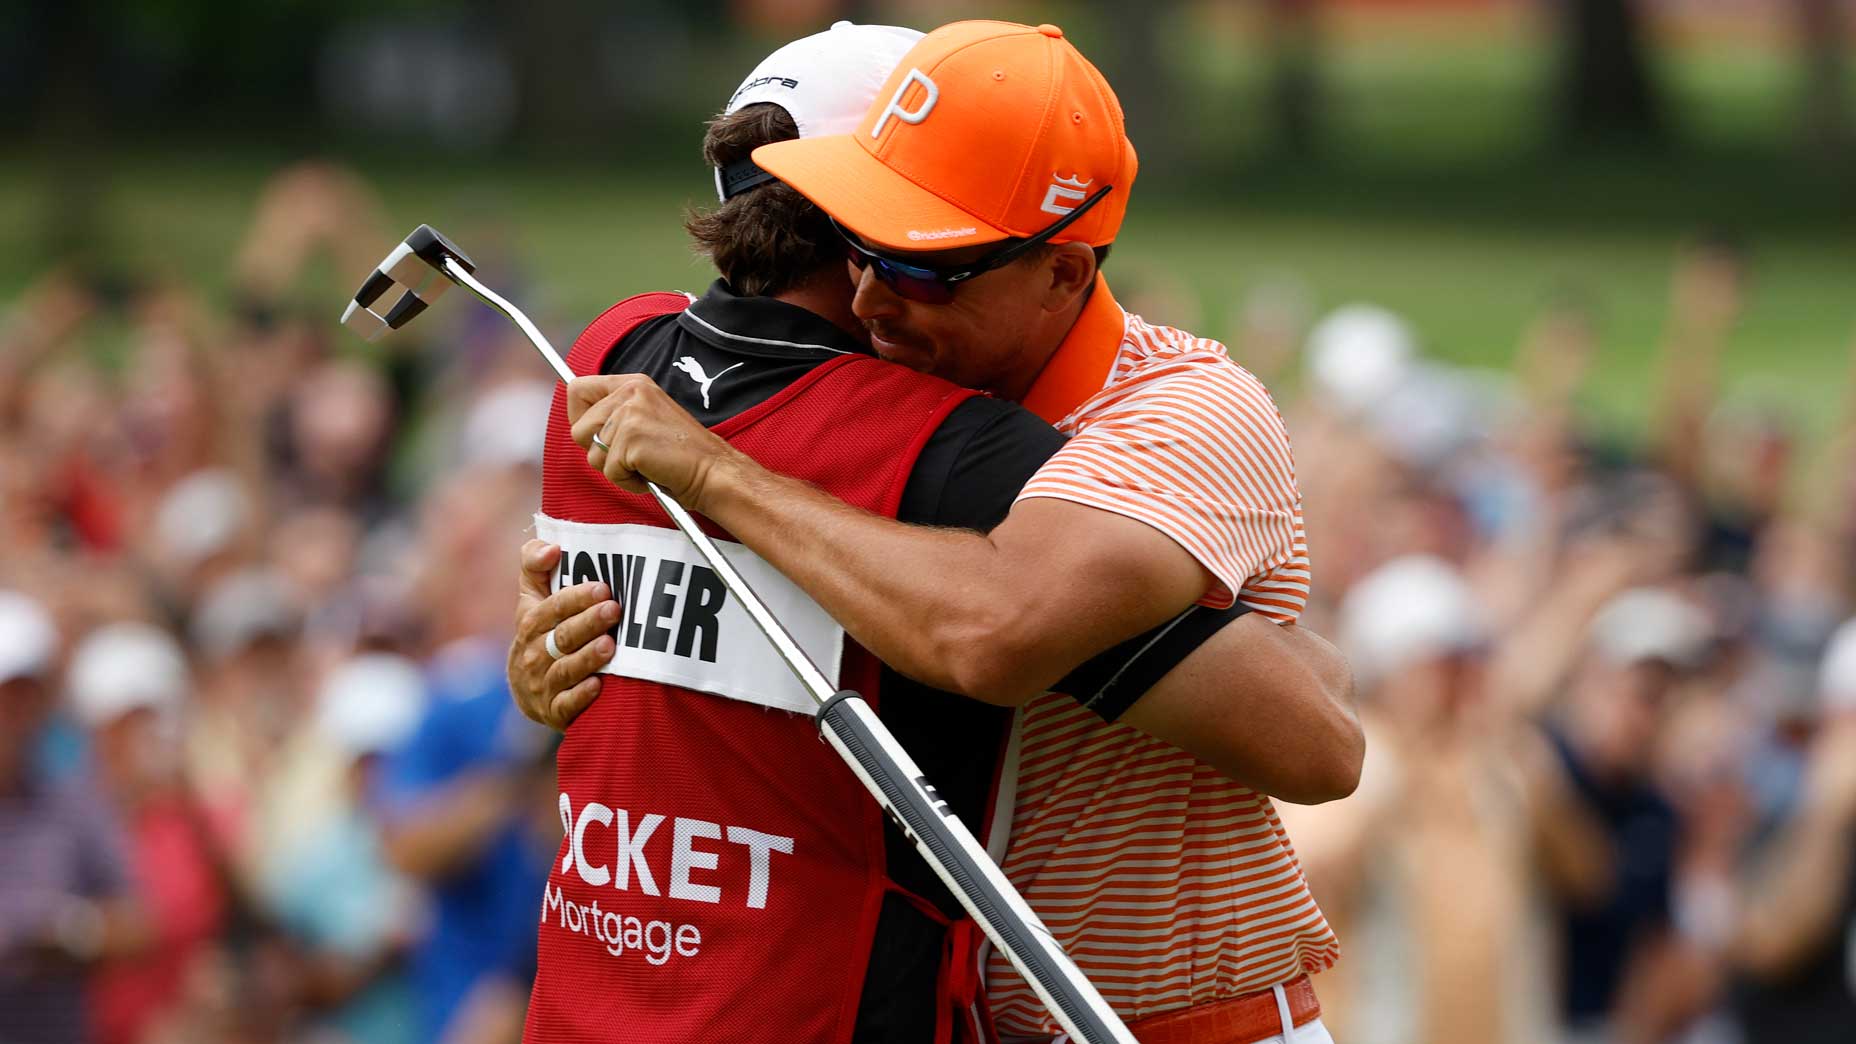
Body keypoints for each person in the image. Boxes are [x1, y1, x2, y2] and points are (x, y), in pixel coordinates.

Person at [513, 21, 1355, 1044]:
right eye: (862, 245)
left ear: (1062, 270)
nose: (869, 299)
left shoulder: (1179, 409)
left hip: (1181, 1023)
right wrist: (575, 646)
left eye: (925, 270)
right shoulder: (893, 405)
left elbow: (995, 631)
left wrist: (718, 476)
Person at [0, 593, 149, 1044]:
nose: (13, 713)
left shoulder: (73, 802)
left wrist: (65, 931)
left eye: (24, 695)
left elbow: (138, 923)